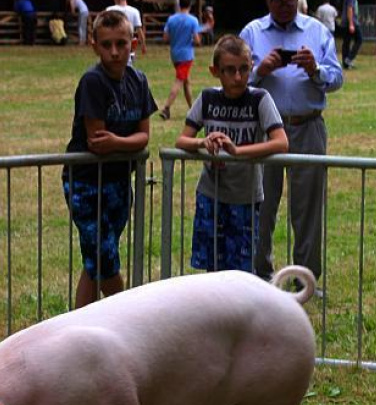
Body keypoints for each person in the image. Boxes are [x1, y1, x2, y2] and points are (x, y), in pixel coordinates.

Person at [241, 0, 344, 283]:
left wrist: (315, 70)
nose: (285, 6)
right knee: (260, 203)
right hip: (264, 130)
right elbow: (234, 79)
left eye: (289, 1)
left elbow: (337, 78)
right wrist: (260, 71)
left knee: (308, 207)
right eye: (278, 1)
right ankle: (259, 276)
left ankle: (306, 278)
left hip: (307, 125)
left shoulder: (318, 31)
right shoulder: (252, 32)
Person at [62, 10, 157, 309]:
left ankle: (80, 326)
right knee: (104, 260)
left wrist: (118, 142)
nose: (115, 52)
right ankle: (131, 317)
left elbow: (145, 136)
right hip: (86, 184)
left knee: (97, 260)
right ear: (94, 46)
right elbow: (97, 141)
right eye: (106, 45)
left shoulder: (138, 81)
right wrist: (124, 143)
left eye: (121, 43)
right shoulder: (93, 81)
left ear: (134, 42)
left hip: (119, 182)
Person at [175, 36, 290, 273]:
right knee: (213, 267)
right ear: (215, 71)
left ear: (251, 67)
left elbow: (281, 142)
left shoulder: (259, 99)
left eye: (244, 69)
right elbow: (181, 140)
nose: (237, 77)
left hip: (245, 197)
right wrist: (203, 142)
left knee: (240, 270)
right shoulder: (207, 98)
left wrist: (237, 151)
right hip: (211, 195)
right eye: (229, 70)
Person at [159, 0, 200, 120]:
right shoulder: (193, 20)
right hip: (186, 55)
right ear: (190, 5)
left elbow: (165, 37)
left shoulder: (171, 19)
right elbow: (197, 40)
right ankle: (166, 108)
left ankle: (192, 108)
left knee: (186, 81)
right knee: (179, 80)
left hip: (175, 55)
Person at [340, 0, 361, 68]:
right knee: (359, 39)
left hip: (346, 22)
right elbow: (350, 8)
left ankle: (345, 63)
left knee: (346, 42)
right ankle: (349, 59)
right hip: (351, 22)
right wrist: (351, 24)